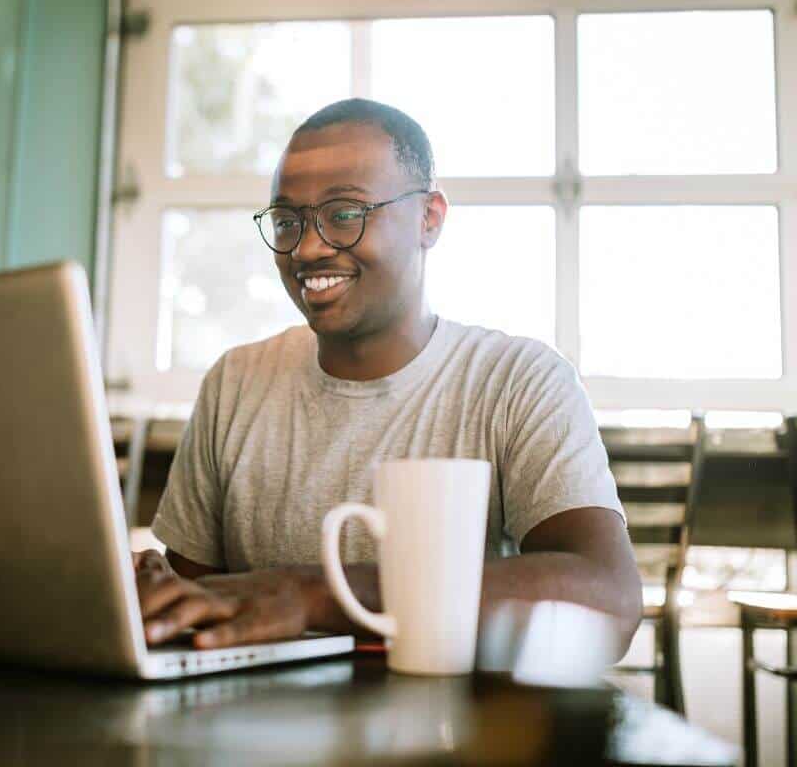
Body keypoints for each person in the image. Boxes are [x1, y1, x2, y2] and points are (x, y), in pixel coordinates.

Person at [134, 98, 642, 657]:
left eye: (344, 214)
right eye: (286, 221)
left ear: (430, 219)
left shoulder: (518, 382)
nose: (306, 247)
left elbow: (608, 600)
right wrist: (153, 597)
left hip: (449, 733)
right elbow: (199, 608)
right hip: (256, 732)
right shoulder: (235, 383)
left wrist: (314, 593)